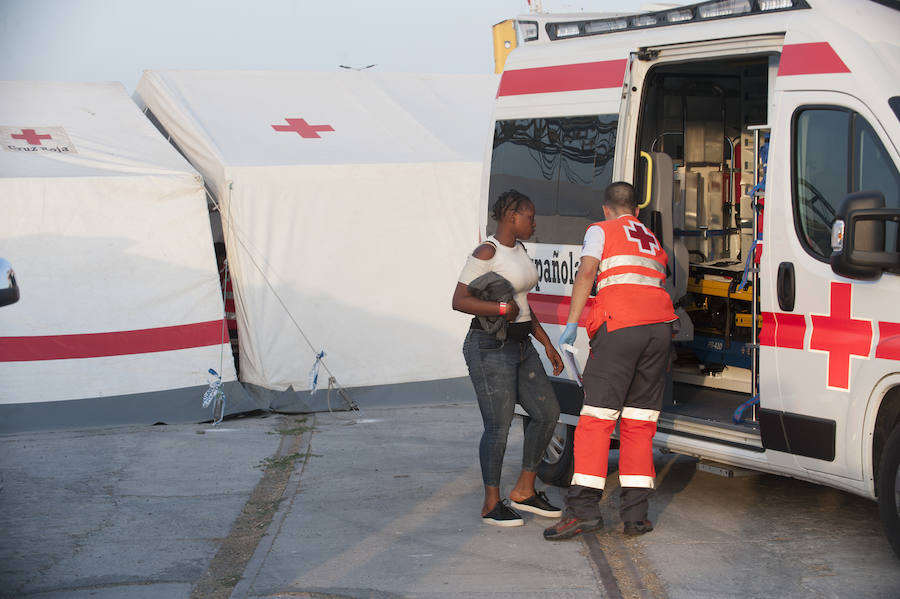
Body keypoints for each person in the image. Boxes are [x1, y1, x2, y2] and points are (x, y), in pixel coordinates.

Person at [543, 182, 676, 541]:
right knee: (639, 422)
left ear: (606, 209)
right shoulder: (649, 237)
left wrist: (572, 322)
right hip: (660, 330)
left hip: (621, 328)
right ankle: (636, 517)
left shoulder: (600, 230)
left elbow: (587, 272)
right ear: (635, 208)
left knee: (596, 421)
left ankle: (582, 510)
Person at [452, 189, 565, 527]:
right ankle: (491, 504)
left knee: (548, 413)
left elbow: (524, 305)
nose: (534, 222)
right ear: (511, 216)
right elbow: (459, 300)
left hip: (521, 345)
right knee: (498, 427)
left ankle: (524, 491)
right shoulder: (487, 251)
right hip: (488, 346)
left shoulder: (520, 250)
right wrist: (500, 308)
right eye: (529, 216)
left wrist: (546, 343)